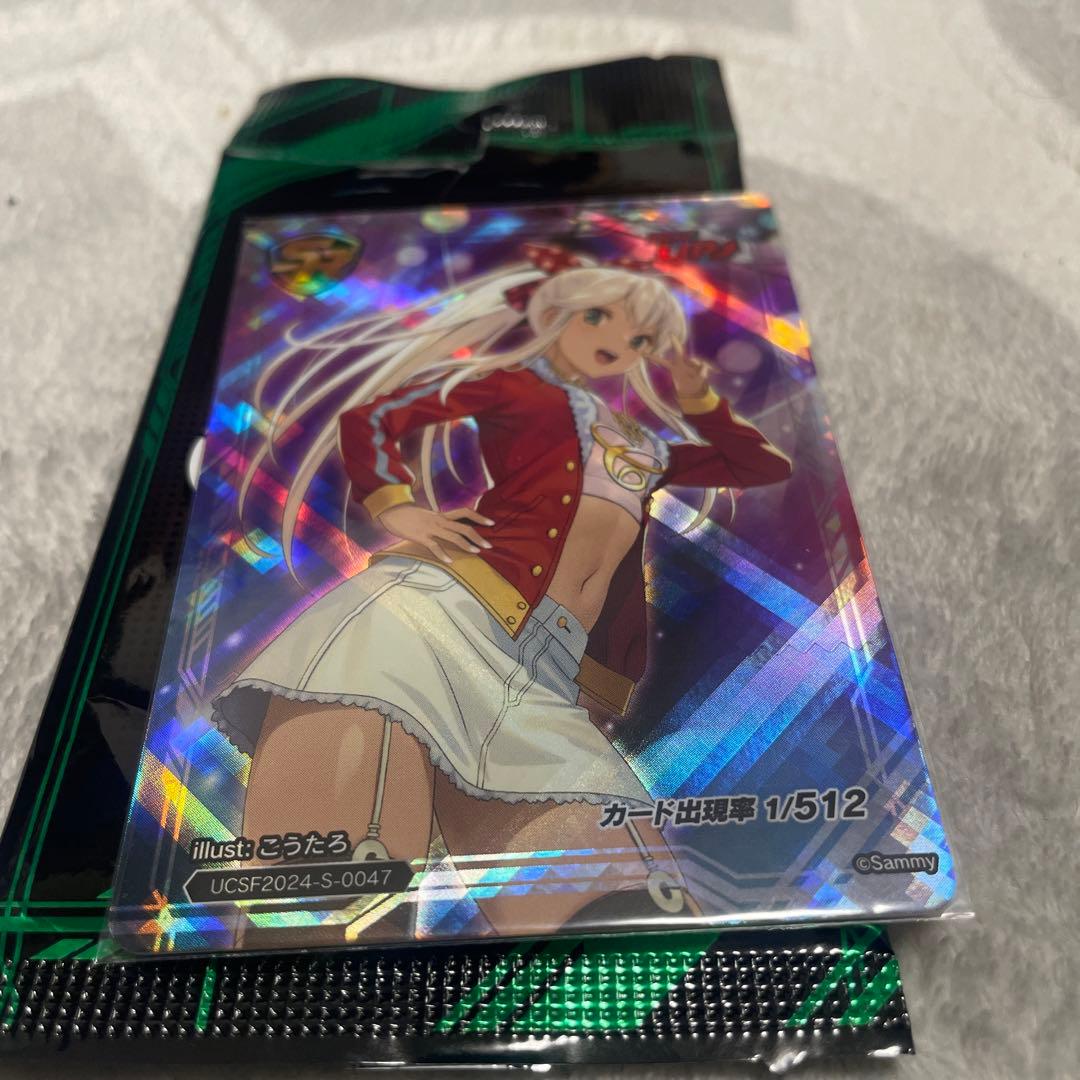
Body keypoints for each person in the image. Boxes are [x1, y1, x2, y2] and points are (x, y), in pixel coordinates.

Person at [214, 251, 792, 945]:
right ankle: (292, 990)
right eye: (598, 316)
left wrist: (697, 397)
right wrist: (396, 505)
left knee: (613, 891)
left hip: (545, 661)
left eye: (639, 336)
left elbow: (756, 463)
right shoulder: (517, 388)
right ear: (556, 314)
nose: (618, 341)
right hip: (442, 606)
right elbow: (374, 417)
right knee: (340, 852)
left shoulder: (641, 444)